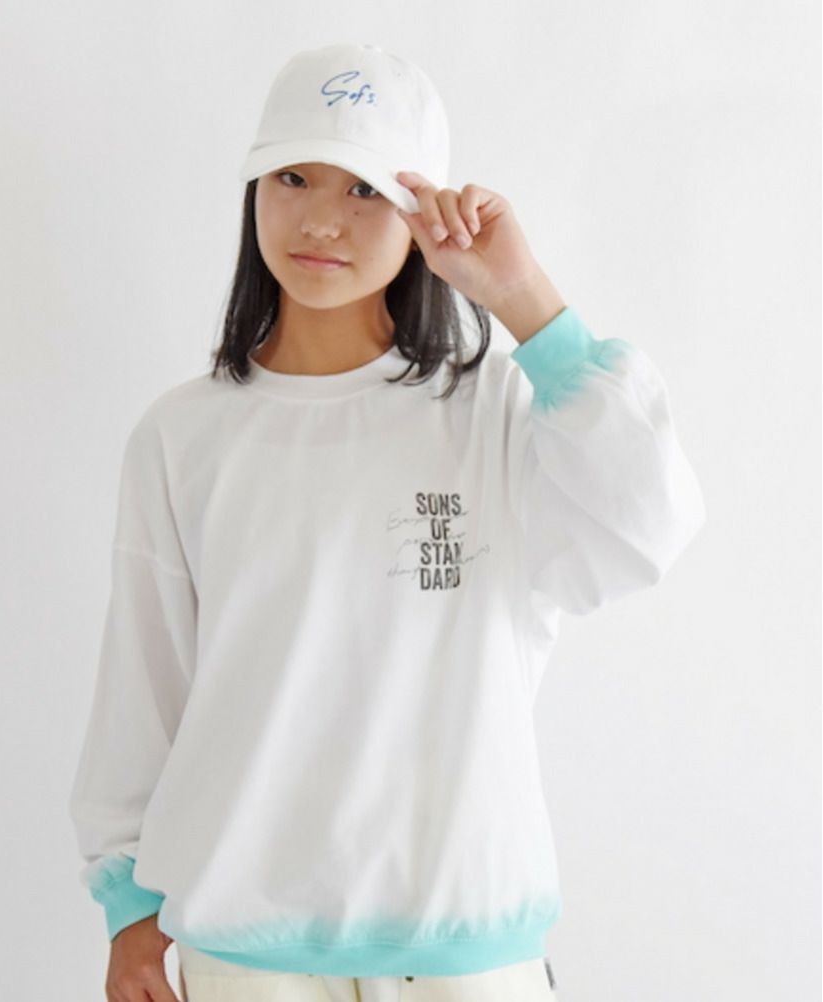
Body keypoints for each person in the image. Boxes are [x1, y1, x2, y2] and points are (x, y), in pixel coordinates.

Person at [67, 42, 707, 1002]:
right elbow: (145, 683)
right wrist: (127, 909)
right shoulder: (182, 435)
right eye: (292, 177)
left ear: (422, 213)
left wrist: (524, 301)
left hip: (467, 946)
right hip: (246, 951)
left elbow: (647, 524)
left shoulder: (498, 412)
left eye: (366, 189)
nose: (321, 218)